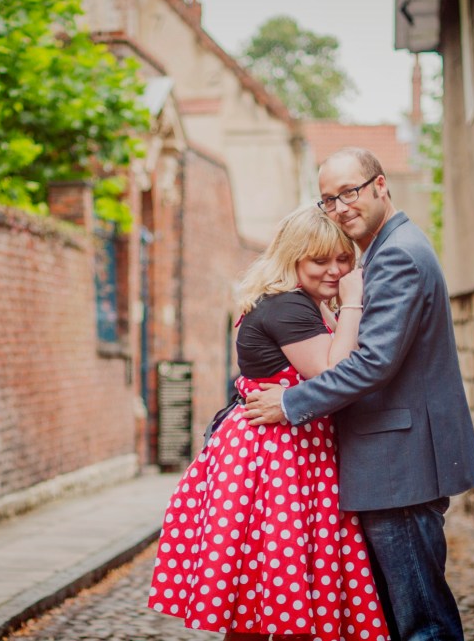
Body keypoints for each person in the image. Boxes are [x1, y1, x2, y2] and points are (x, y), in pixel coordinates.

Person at [243, 148, 474, 641]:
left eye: (349, 192)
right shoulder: (385, 250)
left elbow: (372, 363)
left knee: (422, 623)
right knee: (403, 619)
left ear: (380, 185)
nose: (340, 207)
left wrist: (289, 404)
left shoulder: (396, 255)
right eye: (329, 199)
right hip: (393, 464)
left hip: (397, 465)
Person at [147, 207, 389, 641]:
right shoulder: (288, 306)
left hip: (283, 453)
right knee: (277, 594)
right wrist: (354, 299)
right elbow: (333, 372)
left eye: (343, 259)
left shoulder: (300, 303)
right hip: (276, 458)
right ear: (293, 259)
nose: (335, 270)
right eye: (320, 260)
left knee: (264, 603)